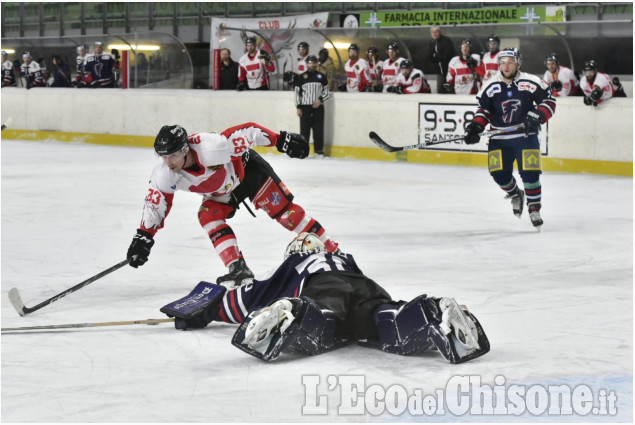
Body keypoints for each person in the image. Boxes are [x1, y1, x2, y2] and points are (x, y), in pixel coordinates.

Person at [161, 233, 490, 364]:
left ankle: (293, 312)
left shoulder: (297, 263)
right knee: (385, 321)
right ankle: (431, 311)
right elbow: (355, 287)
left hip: (324, 289)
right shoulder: (344, 258)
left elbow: (245, 298)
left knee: (325, 320)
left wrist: (201, 313)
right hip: (368, 288)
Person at [126, 123, 339, 288]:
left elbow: (246, 133)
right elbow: (155, 205)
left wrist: (281, 139)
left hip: (249, 174)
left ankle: (334, 252)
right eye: (164, 157)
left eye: (172, 155)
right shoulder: (164, 175)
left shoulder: (211, 147)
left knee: (288, 216)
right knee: (207, 215)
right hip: (221, 192)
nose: (168, 162)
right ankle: (238, 268)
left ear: (185, 148)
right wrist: (143, 237)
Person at [463, 48, 556, 229]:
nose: (506, 66)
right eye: (503, 62)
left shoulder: (532, 81)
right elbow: (484, 111)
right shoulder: (490, 85)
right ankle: (516, 194)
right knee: (499, 175)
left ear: (518, 64)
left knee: (530, 174)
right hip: (499, 138)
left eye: (510, 62)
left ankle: (534, 208)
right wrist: (476, 126)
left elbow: (549, 101)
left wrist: (538, 115)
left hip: (525, 136)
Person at [295, 55, 329, 158]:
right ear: (307, 64)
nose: (312, 64)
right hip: (305, 107)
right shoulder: (301, 77)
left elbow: (327, 92)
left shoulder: (322, 77)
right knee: (304, 131)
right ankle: (303, 150)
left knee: (318, 130)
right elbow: (297, 93)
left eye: (314, 62)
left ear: (317, 63)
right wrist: (298, 107)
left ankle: (319, 151)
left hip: (318, 107)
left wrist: (320, 100)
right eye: (310, 62)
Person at [427, 26, 456, 93]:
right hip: (437, 72)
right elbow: (429, 57)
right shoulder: (431, 42)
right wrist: (437, 56)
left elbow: (447, 56)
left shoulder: (446, 41)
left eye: (436, 32)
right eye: (432, 32)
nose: (434, 34)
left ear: (440, 32)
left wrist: (436, 55)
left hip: (448, 70)